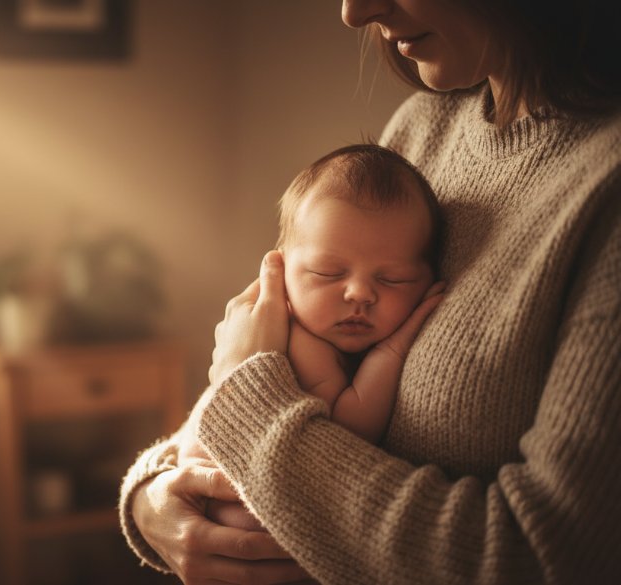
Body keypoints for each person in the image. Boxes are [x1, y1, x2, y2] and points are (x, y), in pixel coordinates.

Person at [119, 0, 621, 583]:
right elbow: (266, 372)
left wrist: (243, 393)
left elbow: (542, 558)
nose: (354, 13)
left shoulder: (603, 185)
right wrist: (152, 493)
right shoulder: (423, 126)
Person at [178, 144, 446, 532]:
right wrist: (391, 350)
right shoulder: (301, 342)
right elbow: (350, 433)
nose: (359, 294)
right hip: (233, 508)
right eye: (327, 273)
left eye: (393, 279)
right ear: (281, 269)